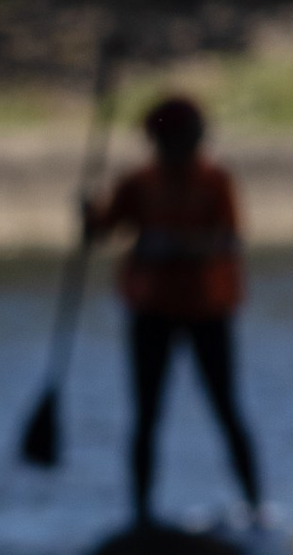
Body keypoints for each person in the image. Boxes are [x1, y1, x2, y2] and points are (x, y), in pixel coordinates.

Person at [84, 93, 265, 531]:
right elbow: (101, 232)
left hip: (207, 310)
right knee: (146, 416)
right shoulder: (139, 183)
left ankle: (255, 508)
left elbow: (228, 237)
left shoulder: (214, 181)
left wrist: (176, 246)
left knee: (226, 408)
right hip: (153, 312)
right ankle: (141, 515)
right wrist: (88, 216)